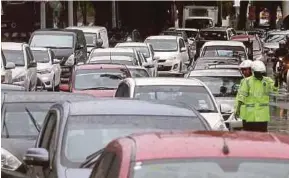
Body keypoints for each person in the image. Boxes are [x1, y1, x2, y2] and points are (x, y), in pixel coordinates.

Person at [235, 60, 278, 132]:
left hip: (262, 117)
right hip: (250, 116)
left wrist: (277, 80)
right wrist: (237, 110)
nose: (259, 75)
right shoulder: (247, 81)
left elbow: (274, 89)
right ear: (253, 72)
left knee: (262, 138)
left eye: (261, 73)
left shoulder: (267, 81)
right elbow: (241, 97)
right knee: (250, 137)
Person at [234, 60, 253, 129]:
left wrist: (237, 110)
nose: (243, 72)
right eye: (242, 70)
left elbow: (241, 98)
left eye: (245, 70)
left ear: (251, 70)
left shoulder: (246, 81)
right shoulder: (244, 81)